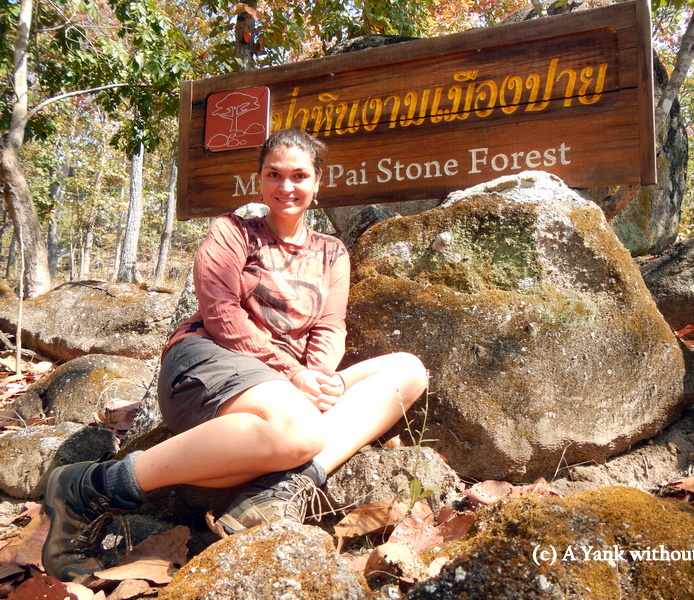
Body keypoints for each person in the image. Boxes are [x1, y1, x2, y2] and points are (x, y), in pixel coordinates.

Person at [41, 128, 428, 582]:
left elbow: (329, 324)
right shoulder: (233, 231)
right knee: (299, 429)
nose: (287, 186)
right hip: (208, 362)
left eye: (300, 175)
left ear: (318, 182)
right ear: (259, 180)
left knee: (408, 371)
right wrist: (293, 375)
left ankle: (276, 492)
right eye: (274, 174)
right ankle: (92, 486)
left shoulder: (331, 252)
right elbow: (221, 312)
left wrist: (319, 377)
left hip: (285, 392)